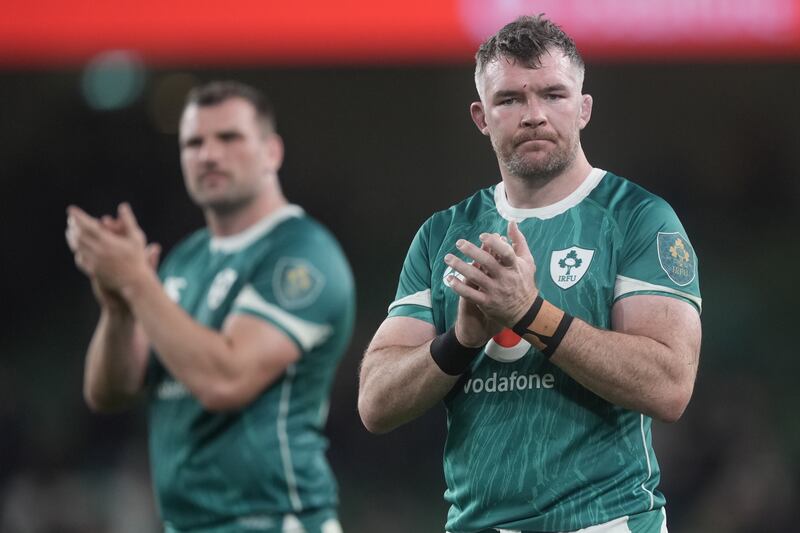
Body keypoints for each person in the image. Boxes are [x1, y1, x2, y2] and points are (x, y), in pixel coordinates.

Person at [358, 15, 701, 533]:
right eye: (510, 99)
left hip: (605, 522)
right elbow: (376, 402)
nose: (534, 115)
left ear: (584, 108)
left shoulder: (638, 218)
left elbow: (669, 385)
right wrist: (463, 340)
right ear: (481, 116)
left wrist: (528, 313)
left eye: (554, 95)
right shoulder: (444, 234)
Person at [66, 81, 354, 533]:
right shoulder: (186, 259)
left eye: (229, 138)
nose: (209, 155)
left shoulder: (302, 253)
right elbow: (109, 391)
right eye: (193, 143)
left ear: (271, 152)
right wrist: (120, 307)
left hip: (275, 521)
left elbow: (226, 379)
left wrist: (138, 281)